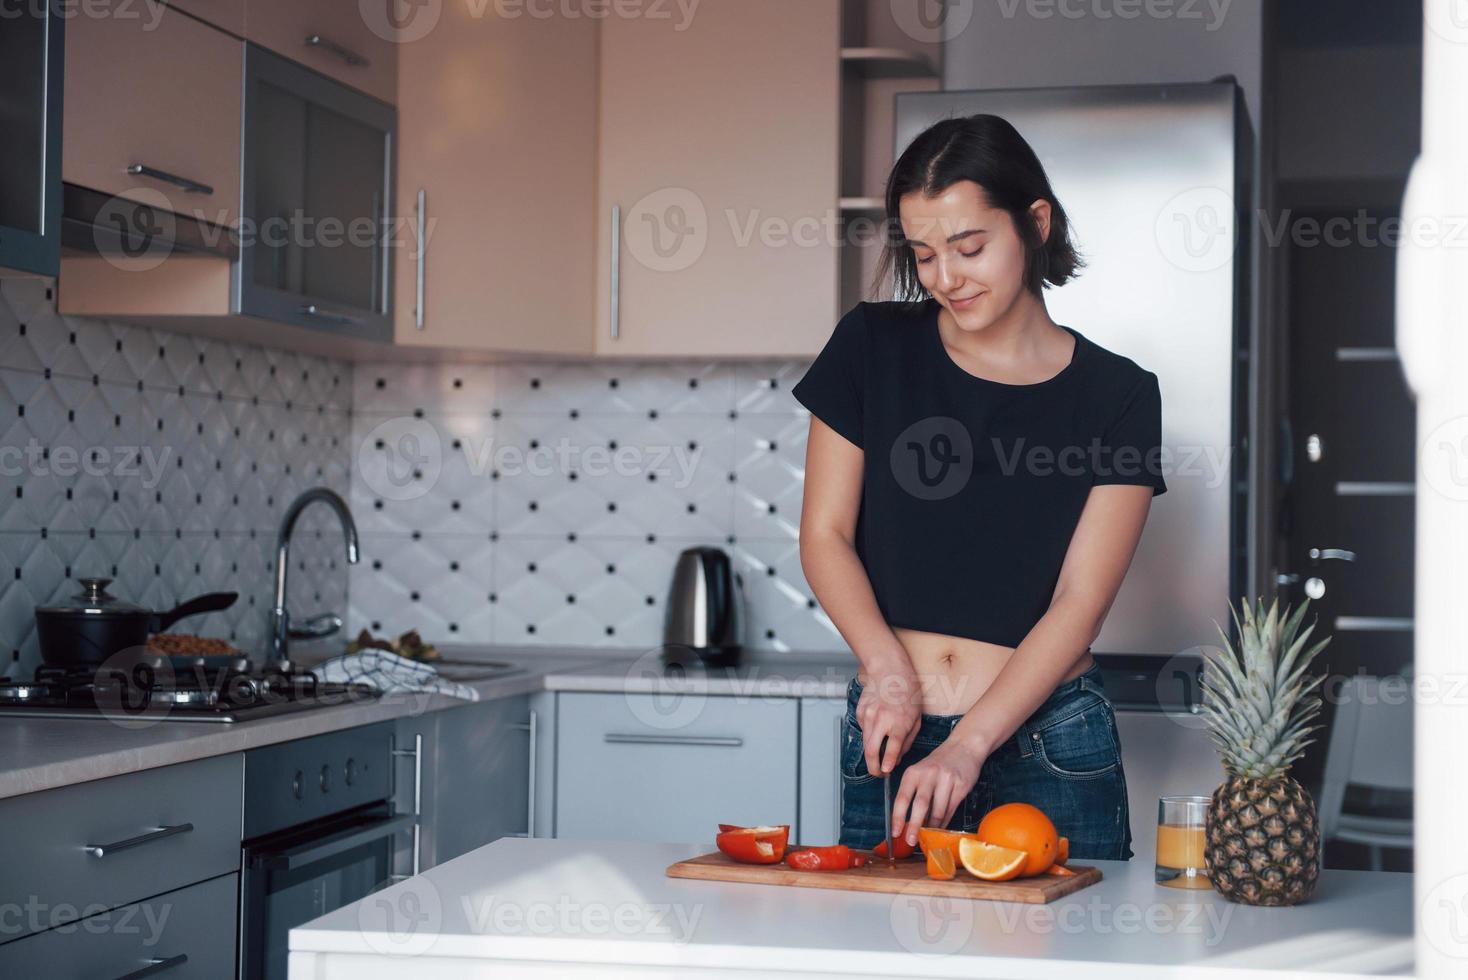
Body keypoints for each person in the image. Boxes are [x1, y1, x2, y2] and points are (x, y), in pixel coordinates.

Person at [793, 114, 1167, 860]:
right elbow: (824, 537)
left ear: (1035, 223)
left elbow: (1080, 604)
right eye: (924, 254)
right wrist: (887, 668)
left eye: (969, 248)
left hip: (1050, 740)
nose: (945, 277)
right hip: (893, 732)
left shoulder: (1119, 394)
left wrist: (969, 745)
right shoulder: (871, 346)